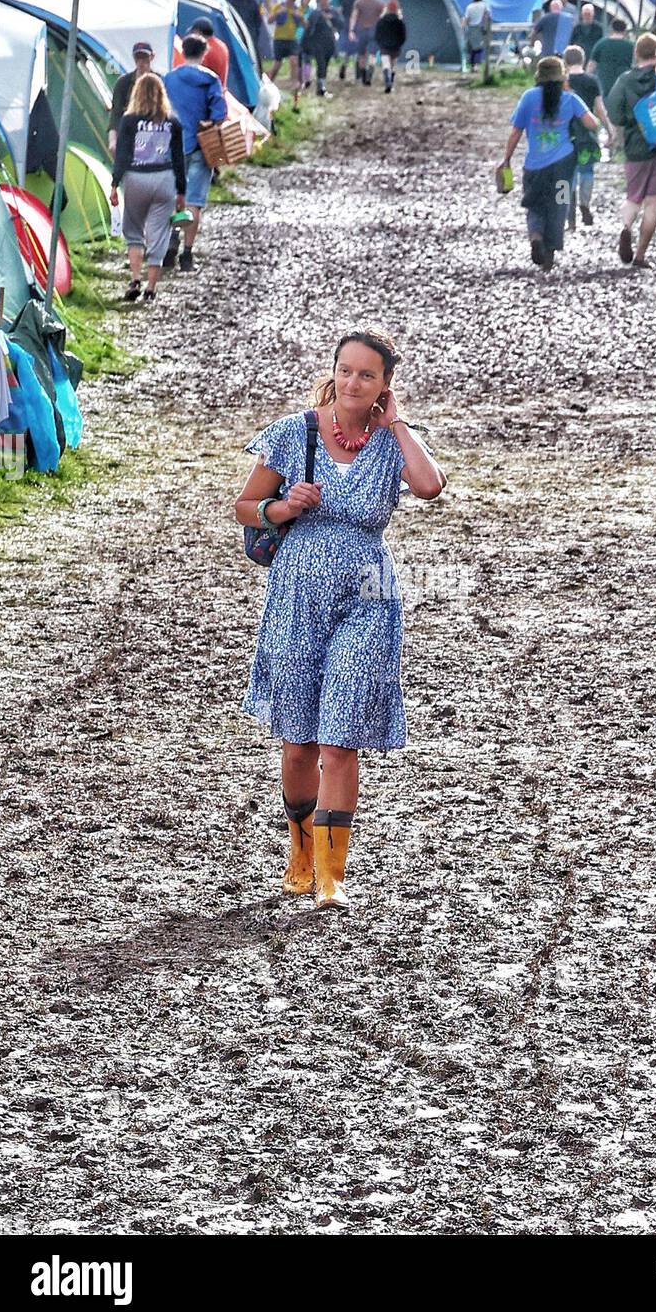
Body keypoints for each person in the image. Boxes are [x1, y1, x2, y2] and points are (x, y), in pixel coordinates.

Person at [235, 329, 447, 911]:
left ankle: (332, 876)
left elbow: (430, 486)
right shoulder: (296, 432)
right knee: (299, 741)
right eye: (346, 370)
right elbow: (244, 507)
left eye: (368, 375)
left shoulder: (390, 441)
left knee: (341, 738)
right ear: (334, 371)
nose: (354, 382)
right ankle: (300, 857)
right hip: (296, 594)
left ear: (385, 385)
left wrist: (397, 425)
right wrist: (284, 505)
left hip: (369, 596)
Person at [498, 55, 599, 272]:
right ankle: (549, 254)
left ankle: (536, 237)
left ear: (539, 77)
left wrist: (506, 159)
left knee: (534, 204)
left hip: (534, 167)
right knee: (559, 206)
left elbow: (516, 131)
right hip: (564, 167)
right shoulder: (570, 99)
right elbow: (592, 123)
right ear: (562, 77)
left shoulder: (528, 97)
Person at [109, 73, 186, 302]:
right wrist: (181, 191)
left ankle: (135, 279)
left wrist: (115, 183)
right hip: (164, 179)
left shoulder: (129, 120)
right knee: (159, 234)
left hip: (136, 179)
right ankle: (151, 288)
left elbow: (122, 154)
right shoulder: (172, 122)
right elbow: (179, 158)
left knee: (134, 231)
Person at [606, 33, 656, 270]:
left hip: (636, 146)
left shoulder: (625, 80)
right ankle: (640, 254)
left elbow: (614, 113)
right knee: (653, 202)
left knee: (633, 197)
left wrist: (628, 122)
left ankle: (626, 227)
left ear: (636, 53)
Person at [164, 34, 227, 273]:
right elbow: (219, 114)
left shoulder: (169, 78)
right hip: (202, 144)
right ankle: (187, 255)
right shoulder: (210, 80)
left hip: (172, 144)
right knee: (195, 201)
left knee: (172, 195)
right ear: (204, 53)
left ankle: (171, 238)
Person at [564, 44, 613, 227]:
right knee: (587, 172)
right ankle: (585, 204)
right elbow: (600, 109)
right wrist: (609, 130)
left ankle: (566, 213)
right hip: (588, 133)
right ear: (582, 61)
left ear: (565, 61)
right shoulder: (592, 81)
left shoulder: (563, 81)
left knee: (566, 176)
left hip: (565, 134)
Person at [108, 42, 154, 154]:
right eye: (138, 58)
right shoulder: (123, 83)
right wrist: (112, 141)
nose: (141, 62)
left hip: (153, 136)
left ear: (151, 57)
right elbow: (116, 113)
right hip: (128, 135)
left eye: (144, 57)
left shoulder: (158, 81)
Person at [268, 0, 306, 105]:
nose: (291, 1)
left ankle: (294, 83)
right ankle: (268, 83)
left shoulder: (297, 10)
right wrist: (278, 13)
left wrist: (300, 17)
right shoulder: (279, 7)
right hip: (279, 39)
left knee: (294, 60)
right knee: (277, 65)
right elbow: (269, 20)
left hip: (291, 39)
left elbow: (305, 24)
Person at [301, 0, 340, 99]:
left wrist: (332, 18)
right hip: (317, 43)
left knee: (325, 64)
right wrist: (305, 43)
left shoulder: (333, 12)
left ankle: (321, 85)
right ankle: (320, 88)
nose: (324, 2)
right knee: (321, 64)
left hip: (329, 43)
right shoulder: (315, 13)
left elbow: (340, 24)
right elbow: (309, 28)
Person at [350, 0, 385, 86]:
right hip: (374, 30)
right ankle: (369, 75)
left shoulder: (359, 2)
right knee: (373, 54)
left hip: (361, 30)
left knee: (362, 55)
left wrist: (351, 30)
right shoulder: (380, 3)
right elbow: (383, 17)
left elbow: (354, 17)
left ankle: (362, 76)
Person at [589, 18, 633, 99]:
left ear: (611, 29)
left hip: (604, 84)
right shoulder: (631, 46)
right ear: (625, 30)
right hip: (623, 84)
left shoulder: (601, 44)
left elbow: (592, 65)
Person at [188, 17, 229, 93]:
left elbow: (199, 77)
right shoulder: (222, 46)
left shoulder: (204, 50)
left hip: (208, 95)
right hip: (220, 93)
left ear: (198, 32)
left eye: (193, 33)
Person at [375, 0, 406, 94]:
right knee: (392, 65)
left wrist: (380, 43)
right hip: (395, 46)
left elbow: (377, 34)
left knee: (385, 64)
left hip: (384, 46)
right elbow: (403, 36)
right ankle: (391, 81)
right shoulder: (400, 22)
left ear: (387, 8)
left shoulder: (381, 21)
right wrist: (399, 44)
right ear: (397, 9)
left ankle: (387, 82)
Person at [231, 0, 265, 66]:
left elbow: (258, 19)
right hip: (237, 30)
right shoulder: (235, 1)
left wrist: (256, 31)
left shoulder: (254, 2)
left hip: (251, 30)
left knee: (252, 50)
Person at [337, 0, 365, 81]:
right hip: (358, 27)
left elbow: (340, 11)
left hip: (346, 26)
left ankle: (343, 66)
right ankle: (358, 75)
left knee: (346, 51)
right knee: (359, 51)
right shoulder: (363, 1)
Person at [462, 0, 490, 70]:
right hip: (479, 27)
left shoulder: (469, 7)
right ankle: (476, 65)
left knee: (472, 47)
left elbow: (466, 19)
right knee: (479, 47)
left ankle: (472, 64)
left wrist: (463, 28)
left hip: (470, 28)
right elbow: (487, 15)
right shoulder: (484, 5)